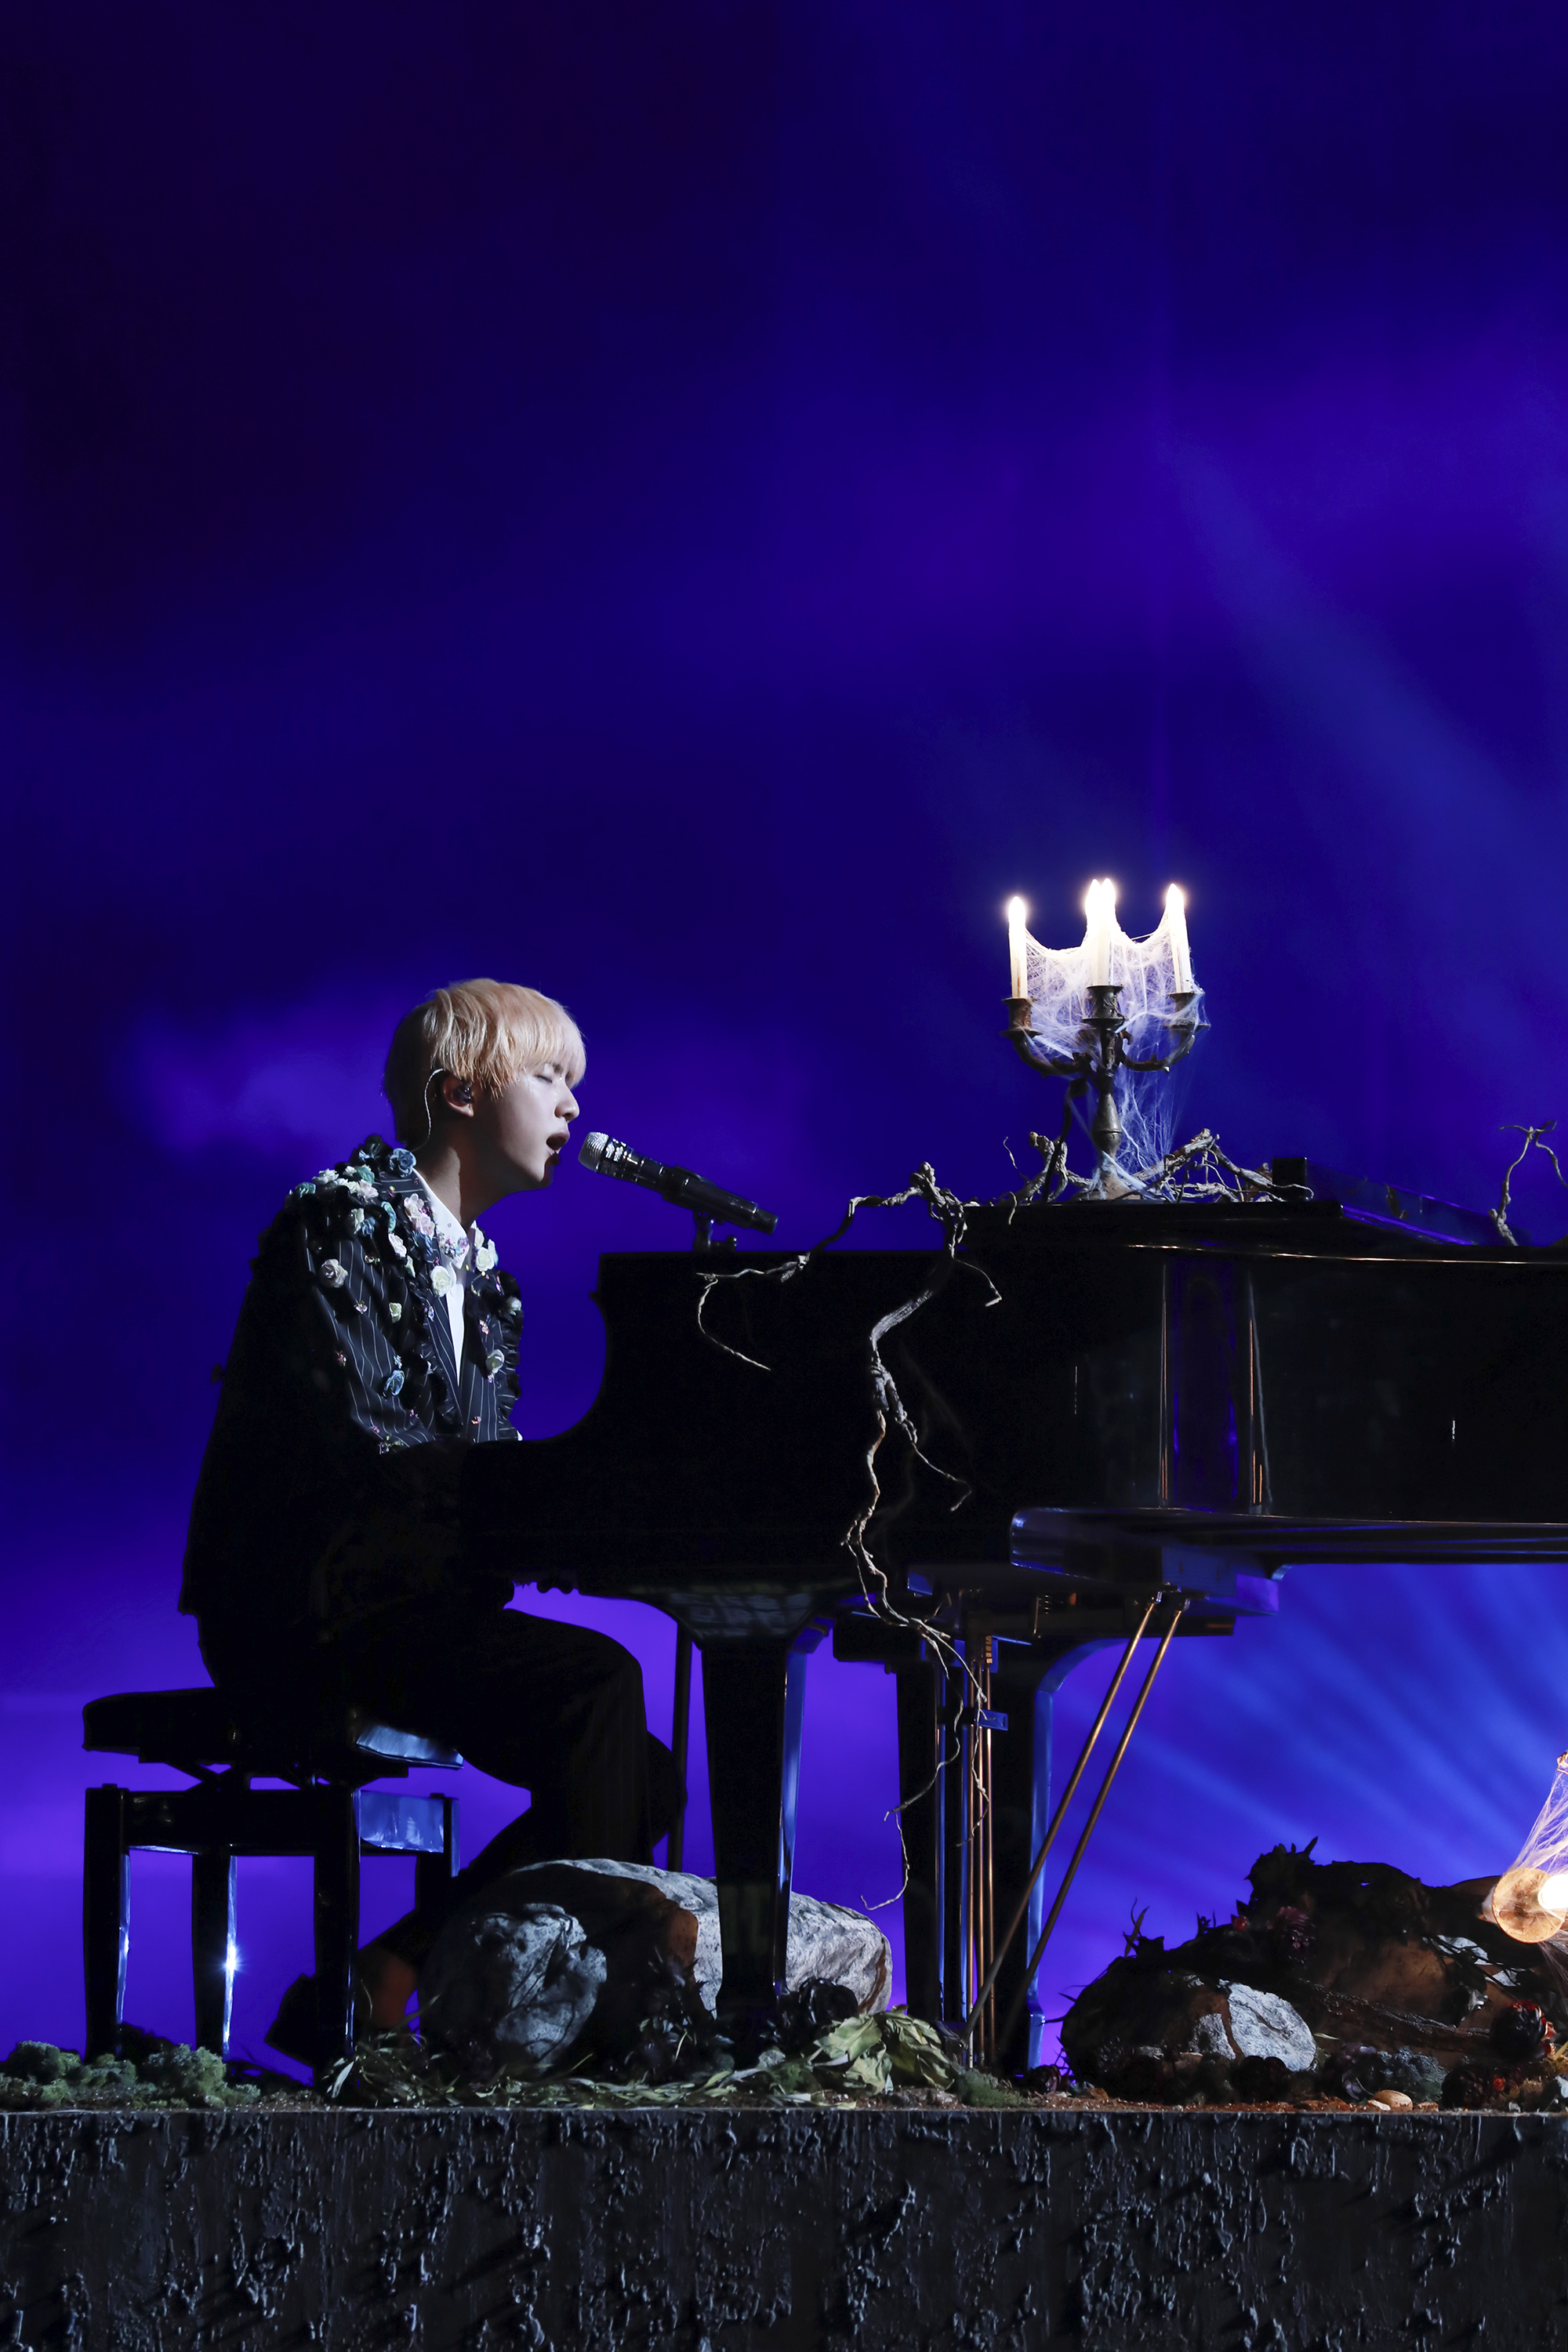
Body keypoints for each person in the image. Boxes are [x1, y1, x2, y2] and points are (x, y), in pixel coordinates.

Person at [180, 978, 675, 2056]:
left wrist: (588, 1523)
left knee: (648, 1772)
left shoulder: (488, 1285)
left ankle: (389, 1972)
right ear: (460, 1094)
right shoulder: (338, 1221)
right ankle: (563, 2026)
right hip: (308, 1607)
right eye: (547, 1078)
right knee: (599, 1687)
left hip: (408, 1605)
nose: (573, 1107)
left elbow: (470, 1477)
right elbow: (379, 1446)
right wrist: (548, 1499)